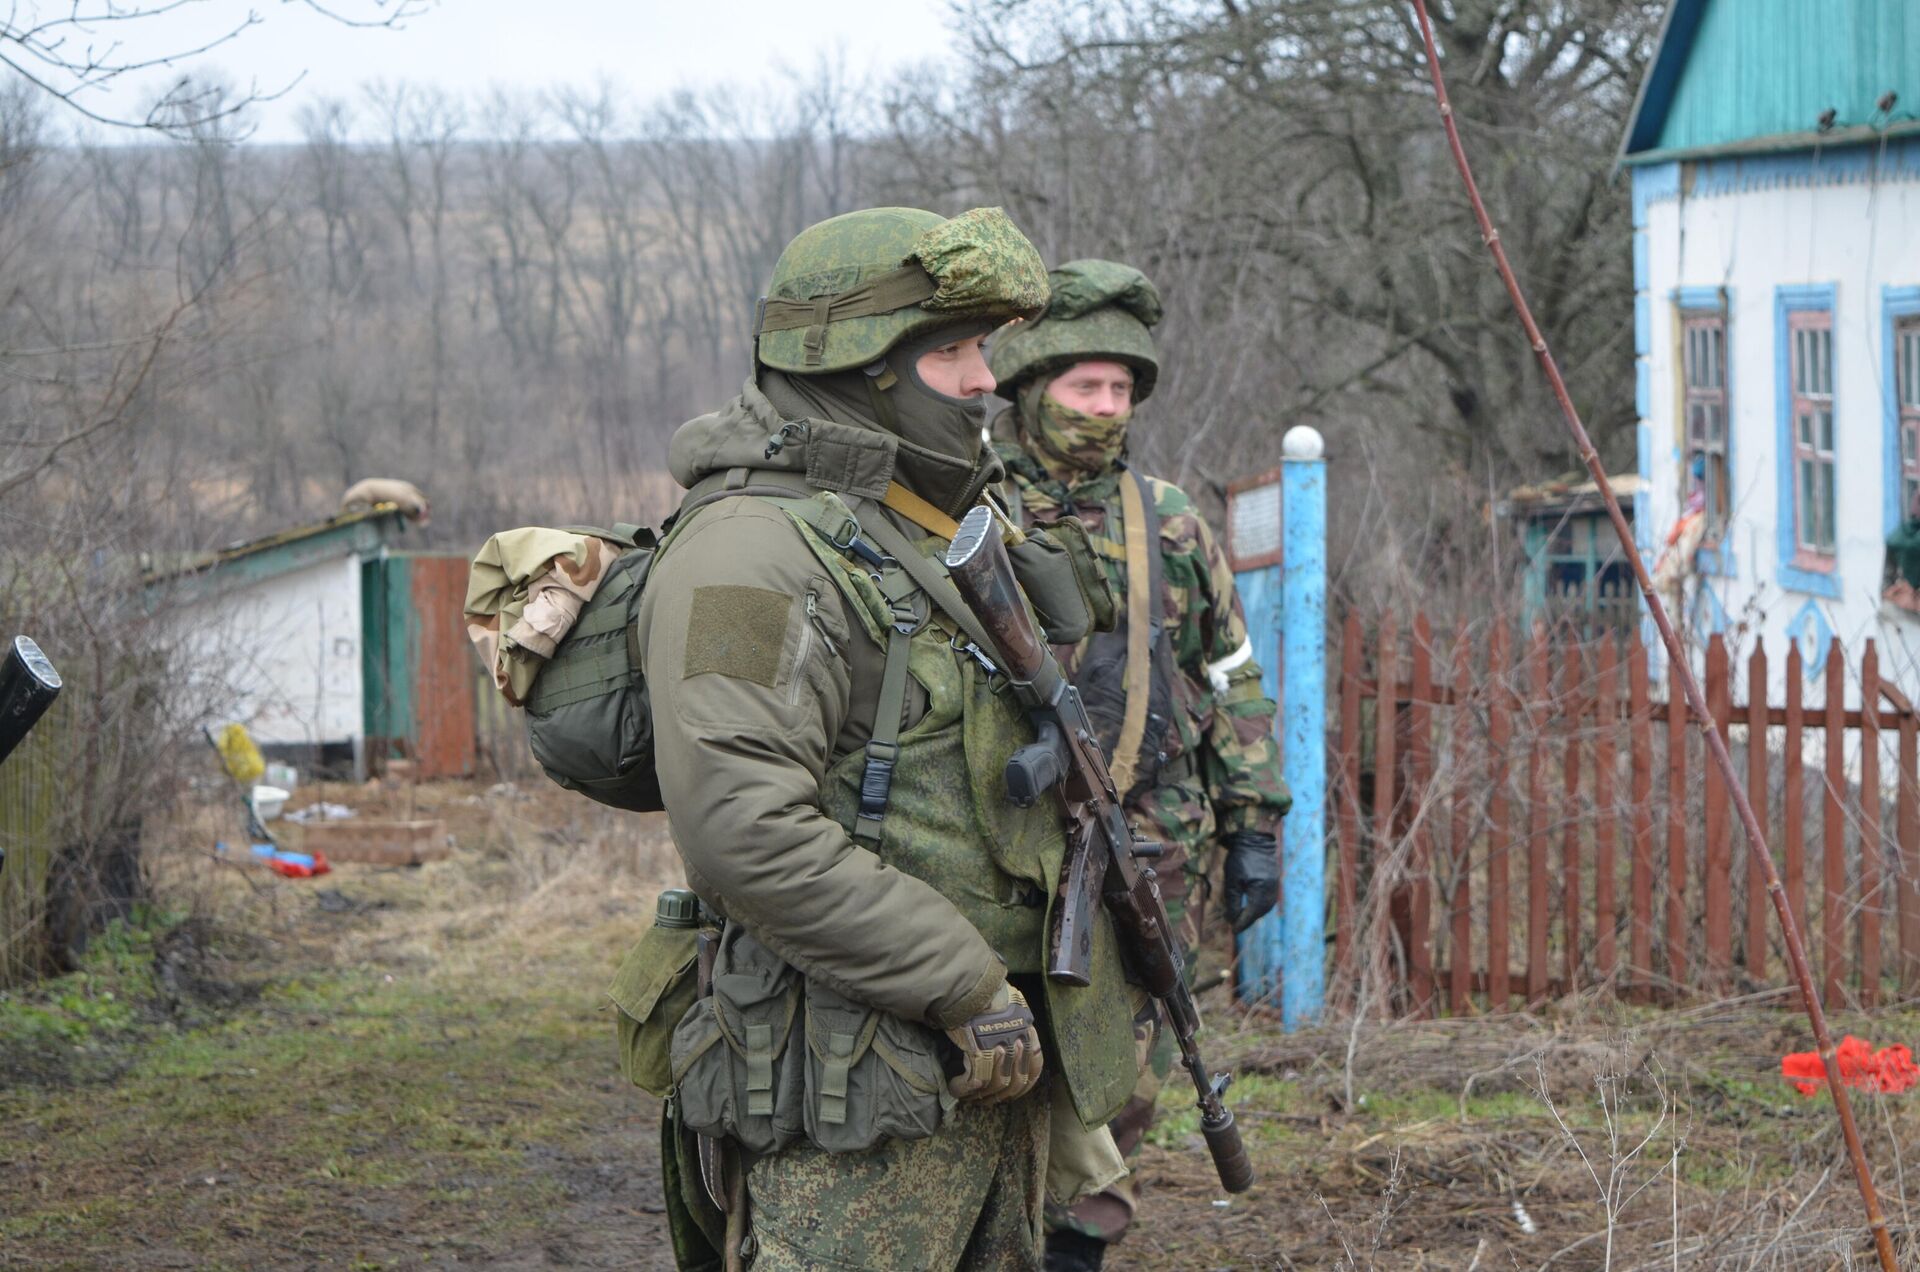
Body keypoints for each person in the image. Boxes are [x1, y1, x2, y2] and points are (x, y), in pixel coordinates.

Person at [635, 209, 1141, 1271]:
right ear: (862, 366)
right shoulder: (746, 555)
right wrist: (960, 982)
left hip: (972, 1067)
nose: (982, 381)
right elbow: (742, 830)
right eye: (952, 350)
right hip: (850, 1087)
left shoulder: (905, 519)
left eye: (985, 350)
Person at [988, 259, 1291, 1272]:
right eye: (1085, 386)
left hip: (1150, 847)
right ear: (1032, 389)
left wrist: (1254, 826)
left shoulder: (1168, 522)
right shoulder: (970, 519)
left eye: (1121, 389)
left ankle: (1079, 1243)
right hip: (1001, 844)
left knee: (1122, 1074)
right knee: (992, 1058)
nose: (1105, 407)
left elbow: (1234, 677)